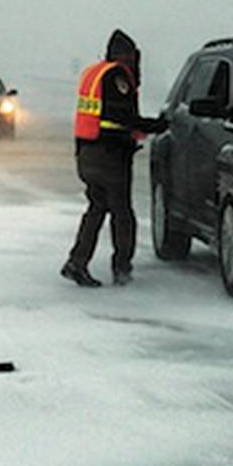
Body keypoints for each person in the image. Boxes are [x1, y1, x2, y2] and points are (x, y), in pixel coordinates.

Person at [60, 29, 167, 287]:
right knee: (122, 214)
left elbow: (99, 117)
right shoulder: (117, 76)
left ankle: (77, 262)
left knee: (96, 209)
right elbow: (121, 117)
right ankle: (121, 268)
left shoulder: (93, 73)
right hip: (109, 156)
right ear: (126, 55)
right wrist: (156, 125)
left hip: (87, 153)